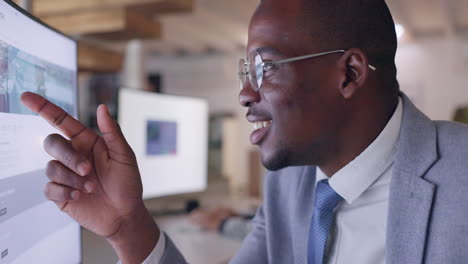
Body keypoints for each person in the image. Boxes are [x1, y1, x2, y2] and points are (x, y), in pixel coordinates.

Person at [20, 0, 468, 263]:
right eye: (245, 70)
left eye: (264, 67)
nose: (244, 94)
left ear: (349, 74)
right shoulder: (289, 183)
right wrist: (127, 226)